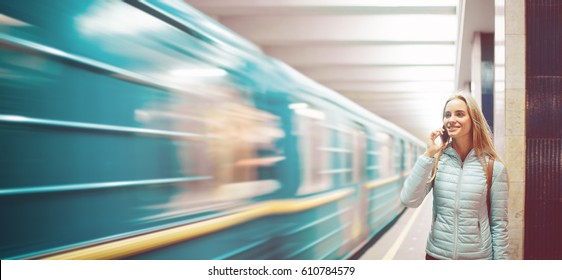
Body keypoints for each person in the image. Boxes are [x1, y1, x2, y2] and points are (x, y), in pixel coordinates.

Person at [400, 92, 509, 260]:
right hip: (437, 255)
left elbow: (499, 224)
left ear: (474, 120)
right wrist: (427, 155)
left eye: (460, 114)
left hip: (477, 258)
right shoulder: (436, 161)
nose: (451, 119)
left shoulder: (493, 167)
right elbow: (409, 200)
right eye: (447, 115)